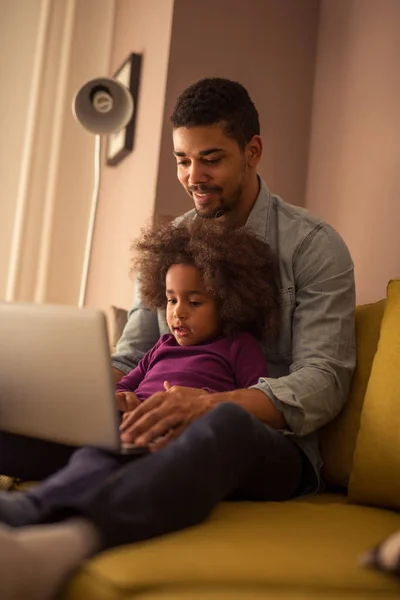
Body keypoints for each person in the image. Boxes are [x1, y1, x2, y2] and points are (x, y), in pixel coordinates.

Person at [0, 78, 356, 600]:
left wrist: (208, 405)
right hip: (157, 421)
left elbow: (324, 380)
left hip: (268, 447)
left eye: (210, 159)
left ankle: (57, 536)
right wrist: (95, 395)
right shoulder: (175, 243)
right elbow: (132, 354)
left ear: (252, 151)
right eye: (182, 160)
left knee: (227, 422)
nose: (193, 177)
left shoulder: (313, 246)